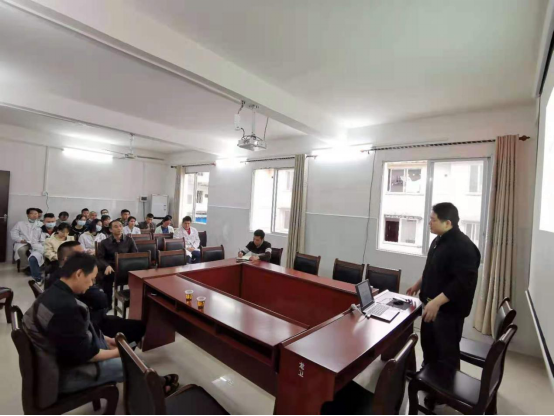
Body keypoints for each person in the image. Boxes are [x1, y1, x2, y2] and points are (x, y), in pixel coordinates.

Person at [406, 203, 481, 371]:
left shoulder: (463, 247)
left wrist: (437, 302)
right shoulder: (438, 240)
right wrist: (419, 284)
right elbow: (433, 268)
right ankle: (428, 375)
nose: (429, 223)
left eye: (433, 220)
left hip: (448, 313)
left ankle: (446, 384)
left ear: (448, 223)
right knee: (429, 346)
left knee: (446, 354)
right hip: (431, 306)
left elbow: (462, 283)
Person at [45, 242, 146, 346]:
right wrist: (116, 352)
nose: (85, 259)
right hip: (90, 325)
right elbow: (101, 300)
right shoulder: (70, 284)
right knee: (137, 327)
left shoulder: (55, 276)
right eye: (80, 256)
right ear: (67, 260)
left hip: (89, 321)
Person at [97, 220, 138, 304]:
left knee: (137, 276)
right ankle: (108, 302)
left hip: (125, 267)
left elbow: (134, 255)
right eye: (116, 227)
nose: (119, 228)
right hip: (111, 266)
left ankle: (134, 300)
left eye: (120, 226)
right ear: (110, 230)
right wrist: (107, 265)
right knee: (107, 276)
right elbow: (100, 258)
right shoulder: (104, 242)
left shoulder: (129, 240)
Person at [11, 208, 45, 283]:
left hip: (37, 243)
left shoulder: (41, 224)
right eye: (32, 213)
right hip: (24, 242)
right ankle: (27, 267)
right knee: (21, 250)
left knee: (42, 250)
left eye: (36, 214)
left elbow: (43, 234)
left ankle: (39, 266)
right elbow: (13, 233)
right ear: (28, 215)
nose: (34, 215)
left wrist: (41, 241)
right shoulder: (20, 224)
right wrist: (20, 239)